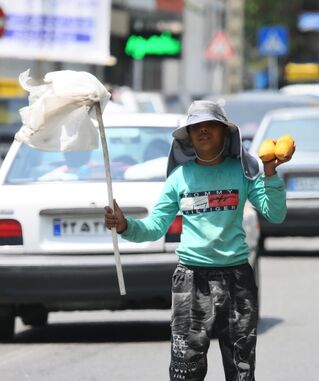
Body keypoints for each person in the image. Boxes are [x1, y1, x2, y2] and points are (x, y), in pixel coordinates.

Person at [104, 100, 294, 380]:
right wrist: (124, 225)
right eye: (196, 128)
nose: (203, 132)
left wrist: (270, 175)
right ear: (189, 137)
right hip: (191, 279)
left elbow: (274, 214)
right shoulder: (179, 178)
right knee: (186, 368)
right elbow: (155, 227)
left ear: (225, 134)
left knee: (241, 367)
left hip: (237, 278)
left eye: (210, 126)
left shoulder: (242, 171)